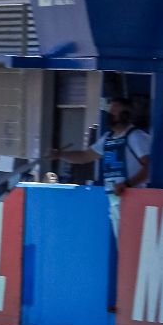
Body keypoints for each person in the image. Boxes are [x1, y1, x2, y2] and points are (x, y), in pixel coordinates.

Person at [52, 97, 150, 237]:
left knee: (132, 241)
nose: (111, 113)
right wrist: (61, 154)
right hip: (114, 199)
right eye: (110, 110)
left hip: (133, 199)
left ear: (126, 113)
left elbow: (148, 167)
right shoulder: (107, 138)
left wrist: (128, 184)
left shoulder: (135, 137)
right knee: (122, 243)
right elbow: (84, 156)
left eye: (116, 110)